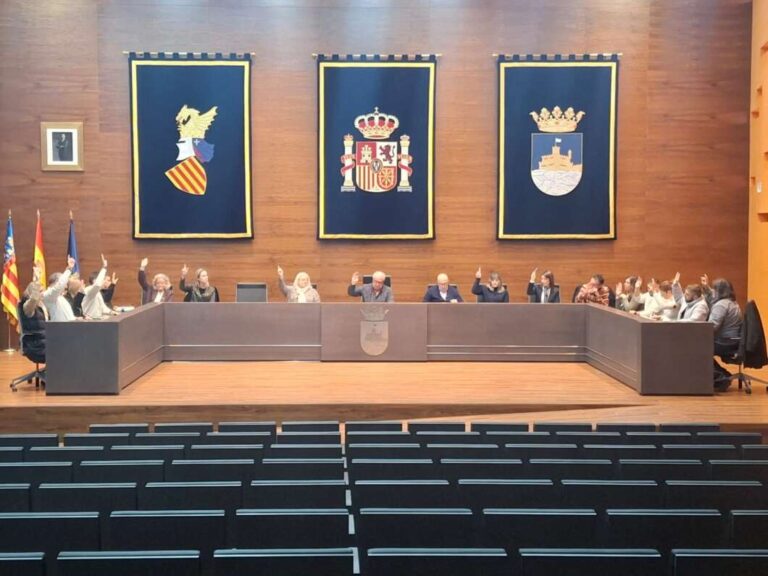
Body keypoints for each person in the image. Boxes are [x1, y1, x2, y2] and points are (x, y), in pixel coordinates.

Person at [704, 277, 743, 391]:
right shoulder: (731, 302)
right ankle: (723, 375)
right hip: (732, 341)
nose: (713, 291)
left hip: (725, 342)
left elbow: (711, 327)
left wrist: (698, 331)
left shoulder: (721, 305)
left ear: (719, 291)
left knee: (699, 348)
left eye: (714, 289)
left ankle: (721, 378)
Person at [42, 256, 77, 321]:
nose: (66, 287)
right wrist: (69, 269)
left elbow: (66, 316)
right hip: (59, 327)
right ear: (56, 283)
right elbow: (59, 286)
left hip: (68, 326)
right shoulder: (48, 295)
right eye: (65, 284)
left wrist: (76, 318)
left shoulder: (60, 297)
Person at [82, 254, 115, 319]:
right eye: (103, 279)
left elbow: (103, 307)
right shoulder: (89, 290)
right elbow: (97, 285)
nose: (105, 282)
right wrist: (104, 268)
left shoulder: (98, 292)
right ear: (95, 281)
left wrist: (111, 312)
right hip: (89, 321)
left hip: (96, 320)